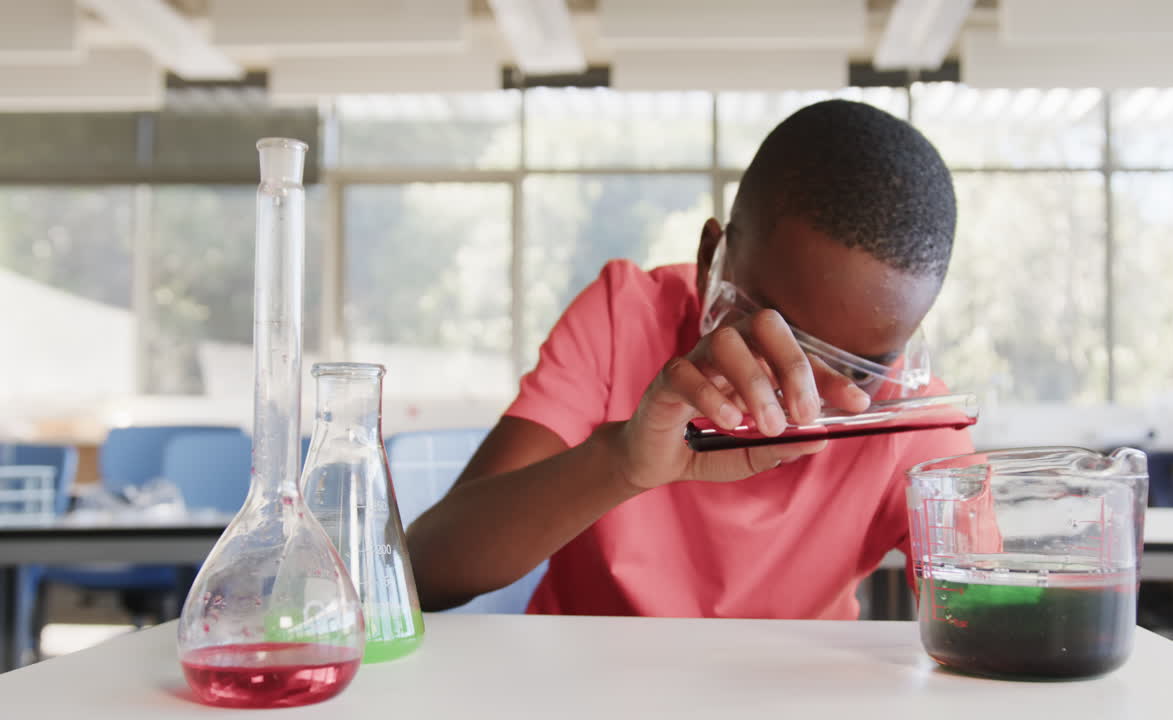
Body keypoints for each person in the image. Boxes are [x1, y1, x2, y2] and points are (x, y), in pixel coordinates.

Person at [406, 99, 970, 619]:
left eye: (854, 368)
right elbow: (423, 572)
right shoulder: (624, 318)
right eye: (771, 336)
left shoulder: (911, 415)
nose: (801, 398)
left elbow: (984, 630)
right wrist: (621, 464)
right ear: (711, 261)